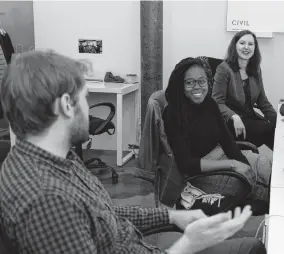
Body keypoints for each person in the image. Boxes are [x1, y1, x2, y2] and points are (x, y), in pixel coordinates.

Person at [0, 50, 266, 254]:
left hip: (142, 244)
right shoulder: (48, 201)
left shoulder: (58, 159)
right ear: (67, 105)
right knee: (253, 248)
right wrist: (186, 245)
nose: (88, 107)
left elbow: (103, 214)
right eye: (85, 97)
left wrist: (174, 215)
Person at [163, 57, 271, 215]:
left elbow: (227, 141)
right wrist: (233, 165)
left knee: (264, 166)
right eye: (190, 82)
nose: (197, 87)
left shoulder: (210, 104)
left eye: (201, 81)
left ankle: (257, 203)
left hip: (221, 155)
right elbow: (187, 164)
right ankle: (255, 203)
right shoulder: (172, 114)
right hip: (200, 172)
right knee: (246, 186)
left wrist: (243, 164)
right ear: (181, 85)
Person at [212, 30, 277, 151]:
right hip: (229, 122)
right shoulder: (224, 69)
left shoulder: (255, 69)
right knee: (268, 129)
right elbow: (216, 101)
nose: (246, 47)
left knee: (277, 129)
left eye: (250, 44)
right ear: (235, 45)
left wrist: (278, 121)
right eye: (242, 43)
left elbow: (263, 101)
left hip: (249, 118)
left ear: (255, 48)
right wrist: (234, 117)